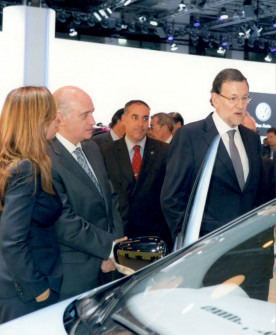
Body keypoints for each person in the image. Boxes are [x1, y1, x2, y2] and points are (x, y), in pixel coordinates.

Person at [161, 68, 263, 241]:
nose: (240, 105)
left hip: (247, 245)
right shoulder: (190, 136)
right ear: (215, 99)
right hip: (206, 248)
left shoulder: (252, 139)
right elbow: (172, 198)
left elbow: (255, 194)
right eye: (233, 98)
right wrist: (187, 242)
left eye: (245, 98)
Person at [48, 86, 125, 300]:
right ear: (59, 118)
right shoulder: (46, 158)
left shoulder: (91, 148)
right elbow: (63, 221)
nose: (93, 120)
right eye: (85, 114)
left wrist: (115, 246)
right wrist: (109, 248)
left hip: (108, 267)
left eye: (92, 112)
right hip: (73, 273)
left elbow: (111, 200)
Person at [0, 86, 62, 323]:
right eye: (52, 114)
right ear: (37, 120)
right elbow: (11, 239)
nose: (57, 119)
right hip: (23, 294)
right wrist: (37, 289)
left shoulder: (12, 163)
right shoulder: (25, 167)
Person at [100, 100, 173, 250]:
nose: (140, 124)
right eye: (135, 117)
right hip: (119, 237)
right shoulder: (105, 152)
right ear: (124, 119)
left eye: (145, 118)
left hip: (155, 239)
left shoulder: (165, 151)